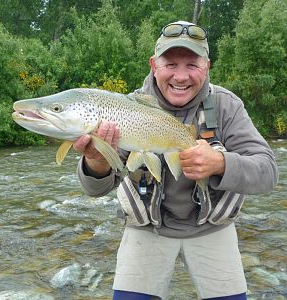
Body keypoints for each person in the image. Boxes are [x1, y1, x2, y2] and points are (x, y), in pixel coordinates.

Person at [73, 21, 278, 300]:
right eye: (170, 64)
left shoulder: (227, 106)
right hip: (147, 229)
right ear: (153, 65)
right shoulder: (124, 109)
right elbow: (94, 190)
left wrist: (221, 164)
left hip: (212, 229)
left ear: (207, 66)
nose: (181, 77)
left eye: (192, 65)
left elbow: (268, 172)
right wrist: (98, 161)